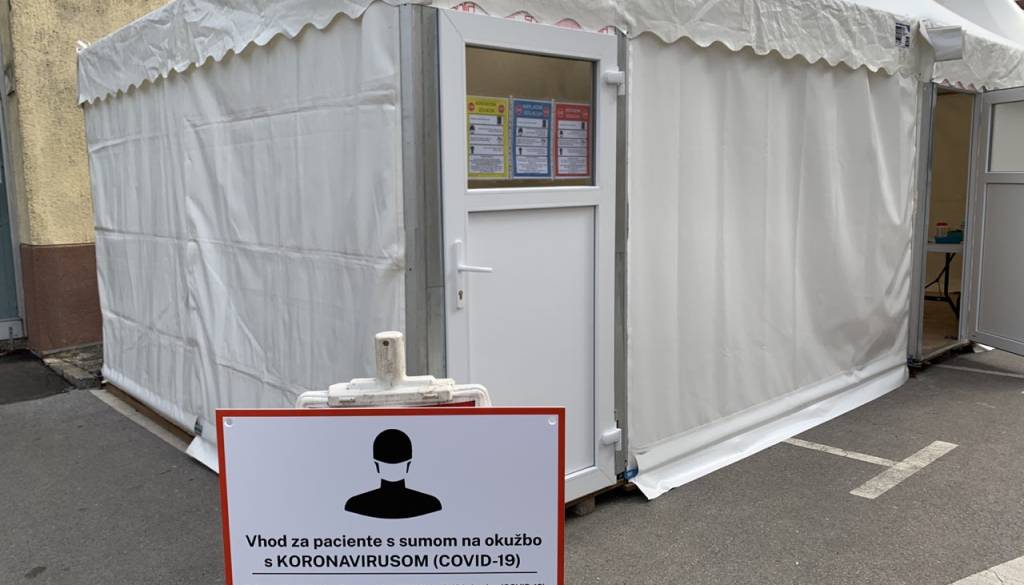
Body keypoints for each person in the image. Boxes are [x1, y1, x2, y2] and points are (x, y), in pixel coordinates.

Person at [344, 429, 442, 519]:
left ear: (376, 465)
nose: (393, 465)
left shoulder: (355, 505)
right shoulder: (430, 504)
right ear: (408, 465)